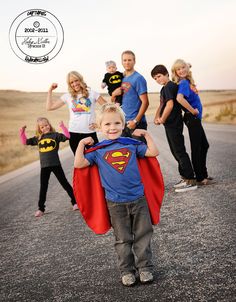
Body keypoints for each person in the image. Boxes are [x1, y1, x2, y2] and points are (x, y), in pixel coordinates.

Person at [74, 103, 164, 286]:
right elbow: (79, 164)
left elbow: (153, 152)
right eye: (107, 124)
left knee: (143, 235)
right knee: (123, 239)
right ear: (99, 127)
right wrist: (81, 144)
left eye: (116, 123)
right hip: (115, 203)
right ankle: (127, 271)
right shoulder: (98, 151)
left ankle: (145, 268)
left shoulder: (131, 145)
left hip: (139, 199)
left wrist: (146, 135)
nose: (112, 127)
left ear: (123, 125)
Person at [151, 64, 197, 192]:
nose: (158, 79)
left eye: (159, 76)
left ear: (166, 74)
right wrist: (156, 117)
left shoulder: (170, 86)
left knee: (179, 150)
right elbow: (162, 105)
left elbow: (170, 105)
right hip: (168, 124)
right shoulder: (163, 89)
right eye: (155, 78)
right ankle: (184, 177)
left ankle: (191, 180)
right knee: (174, 150)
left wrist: (163, 119)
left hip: (174, 123)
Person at [19, 117, 78, 217]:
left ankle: (75, 202)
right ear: (39, 129)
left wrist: (63, 127)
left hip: (55, 164)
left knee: (64, 183)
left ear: (49, 125)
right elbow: (25, 142)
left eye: (46, 125)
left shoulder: (55, 135)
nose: (45, 128)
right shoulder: (38, 138)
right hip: (44, 166)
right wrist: (22, 132)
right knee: (43, 187)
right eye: (42, 127)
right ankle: (41, 208)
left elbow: (68, 136)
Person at [171, 59, 213, 185]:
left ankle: (203, 174)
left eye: (183, 67)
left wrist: (187, 66)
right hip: (192, 118)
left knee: (204, 145)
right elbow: (179, 98)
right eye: (178, 69)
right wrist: (192, 111)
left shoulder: (187, 80)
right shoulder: (183, 83)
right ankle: (200, 177)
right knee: (197, 148)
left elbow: (188, 66)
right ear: (175, 72)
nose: (182, 70)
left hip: (195, 120)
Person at [46, 71, 106, 154]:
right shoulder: (68, 96)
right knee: (80, 164)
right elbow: (49, 107)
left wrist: (99, 124)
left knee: (96, 160)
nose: (74, 84)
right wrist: (50, 91)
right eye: (71, 82)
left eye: (76, 80)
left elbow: (108, 108)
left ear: (80, 80)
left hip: (90, 133)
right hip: (74, 134)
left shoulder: (92, 93)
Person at [111, 50, 149, 141]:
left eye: (129, 60)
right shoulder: (121, 79)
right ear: (121, 62)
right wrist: (113, 94)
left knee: (140, 153)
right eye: (124, 60)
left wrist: (135, 121)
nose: (127, 62)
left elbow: (145, 102)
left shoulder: (138, 78)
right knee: (126, 153)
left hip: (136, 124)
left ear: (134, 61)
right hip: (123, 124)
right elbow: (114, 101)